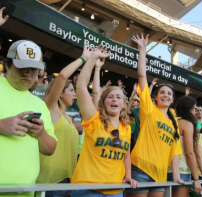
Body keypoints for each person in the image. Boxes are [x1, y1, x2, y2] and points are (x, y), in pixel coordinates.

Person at [71, 45, 137, 197]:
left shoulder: (126, 128)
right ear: (104, 102)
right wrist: (93, 58)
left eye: (118, 97)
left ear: (123, 104)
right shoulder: (94, 120)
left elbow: (126, 156)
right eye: (110, 96)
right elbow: (81, 87)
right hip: (88, 189)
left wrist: (128, 175)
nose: (114, 99)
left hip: (115, 191)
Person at [127, 33, 184, 197]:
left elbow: (175, 151)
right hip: (140, 169)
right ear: (156, 97)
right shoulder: (148, 109)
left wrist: (177, 176)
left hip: (160, 175)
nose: (166, 95)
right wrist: (143, 50)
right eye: (162, 93)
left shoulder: (174, 121)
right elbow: (141, 77)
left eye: (169, 94)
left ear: (172, 100)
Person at [0, 40, 57, 197]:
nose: (27, 73)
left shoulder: (39, 104)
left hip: (26, 192)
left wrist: (40, 134)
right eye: (22, 66)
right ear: (7, 64)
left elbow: (50, 149)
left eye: (33, 69)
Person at [36, 44, 93, 196]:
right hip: (50, 181)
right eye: (71, 90)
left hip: (67, 179)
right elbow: (62, 76)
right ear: (60, 93)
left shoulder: (67, 117)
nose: (74, 94)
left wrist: (94, 62)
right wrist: (83, 59)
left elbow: (84, 87)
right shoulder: (50, 109)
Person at [167, 96, 202, 197]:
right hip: (182, 170)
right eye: (195, 108)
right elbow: (189, 153)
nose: (195, 111)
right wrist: (196, 179)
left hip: (166, 169)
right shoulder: (187, 124)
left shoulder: (171, 121)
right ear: (190, 108)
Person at [126, 78, 157, 151]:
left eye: (153, 101)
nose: (151, 102)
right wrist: (131, 99)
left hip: (148, 143)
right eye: (151, 101)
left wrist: (152, 85)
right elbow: (127, 111)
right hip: (136, 141)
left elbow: (147, 97)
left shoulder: (157, 113)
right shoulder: (138, 110)